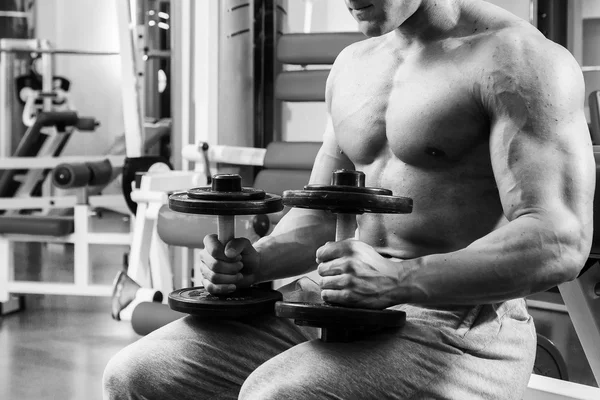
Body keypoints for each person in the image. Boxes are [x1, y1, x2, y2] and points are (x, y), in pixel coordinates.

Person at [103, 0, 595, 399]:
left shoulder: (518, 60)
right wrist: (255, 262)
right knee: (139, 374)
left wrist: (398, 279)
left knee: (278, 396)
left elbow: (559, 239)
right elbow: (320, 216)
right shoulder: (353, 66)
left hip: (458, 322)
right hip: (332, 299)